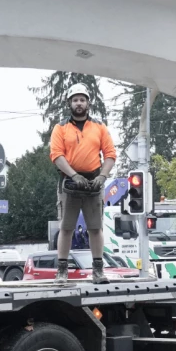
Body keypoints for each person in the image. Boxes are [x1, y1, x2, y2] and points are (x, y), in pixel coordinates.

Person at [48, 84, 117, 283]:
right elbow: (56, 155)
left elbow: (110, 154)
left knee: (95, 228)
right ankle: (62, 271)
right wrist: (73, 175)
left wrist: (102, 177)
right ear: (69, 103)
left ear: (88, 103)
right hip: (69, 183)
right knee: (66, 227)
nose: (79, 103)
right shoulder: (60, 128)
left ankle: (98, 271)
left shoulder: (99, 127)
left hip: (93, 182)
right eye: (75, 100)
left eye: (82, 99)